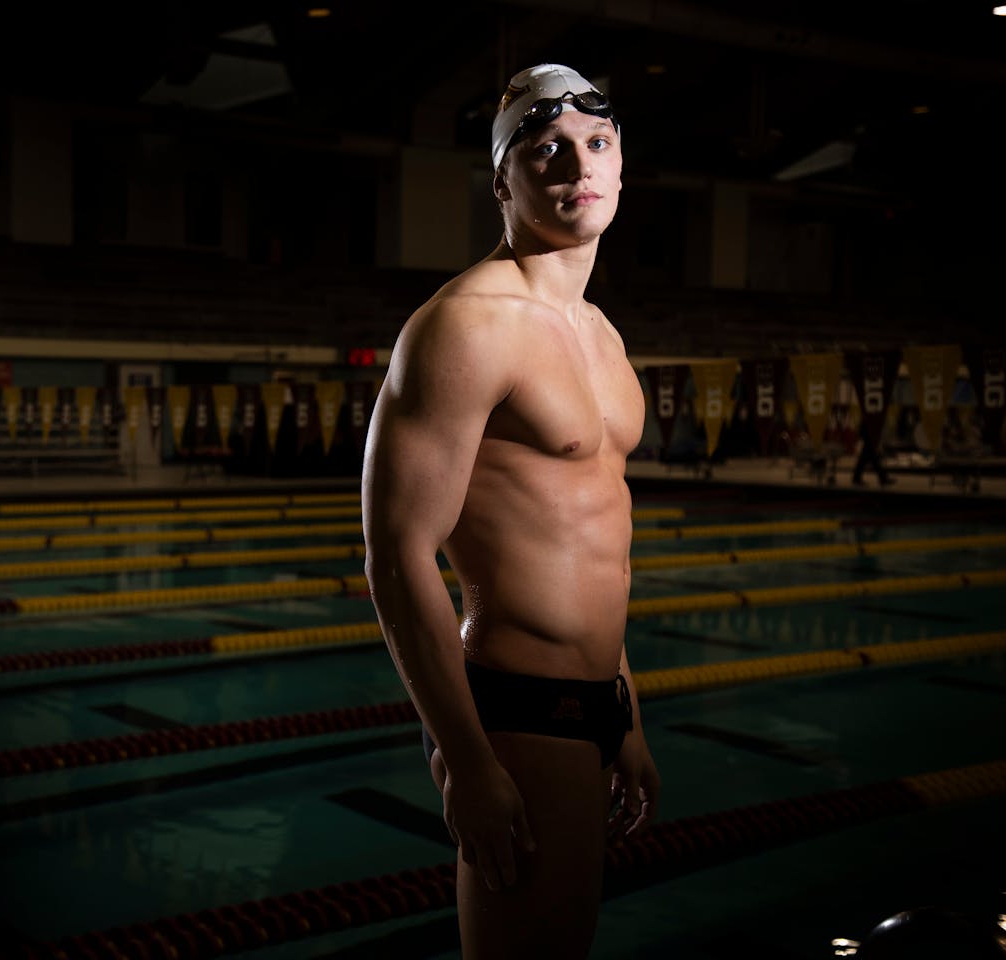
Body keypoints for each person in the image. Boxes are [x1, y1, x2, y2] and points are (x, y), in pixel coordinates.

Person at [361, 63, 660, 958]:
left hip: (596, 698)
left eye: (596, 144)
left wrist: (628, 713)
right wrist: (467, 758)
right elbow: (399, 554)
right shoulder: (467, 326)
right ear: (504, 180)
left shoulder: (600, 334)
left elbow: (595, 540)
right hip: (516, 712)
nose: (577, 165)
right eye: (547, 151)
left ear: (620, 164)